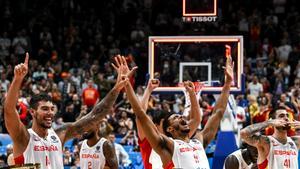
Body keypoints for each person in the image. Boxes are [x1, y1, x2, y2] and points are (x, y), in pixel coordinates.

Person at [4, 53, 129, 168]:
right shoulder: (23, 137)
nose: (50, 113)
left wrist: (116, 89)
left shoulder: (60, 134)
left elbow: (95, 116)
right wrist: (17, 79)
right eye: (45, 109)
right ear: (32, 112)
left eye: (52, 109)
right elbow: (9, 110)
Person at [113, 54, 233, 168]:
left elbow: (218, 113)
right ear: (169, 129)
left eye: (180, 116)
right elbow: (140, 115)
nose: (181, 117)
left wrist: (227, 83)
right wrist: (127, 84)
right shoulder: (168, 146)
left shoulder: (197, 142)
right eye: (176, 117)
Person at [137, 78, 202, 169]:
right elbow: (140, 116)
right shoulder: (148, 140)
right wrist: (148, 90)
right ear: (156, 125)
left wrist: (192, 95)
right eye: (166, 120)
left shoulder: (176, 139)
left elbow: (196, 120)